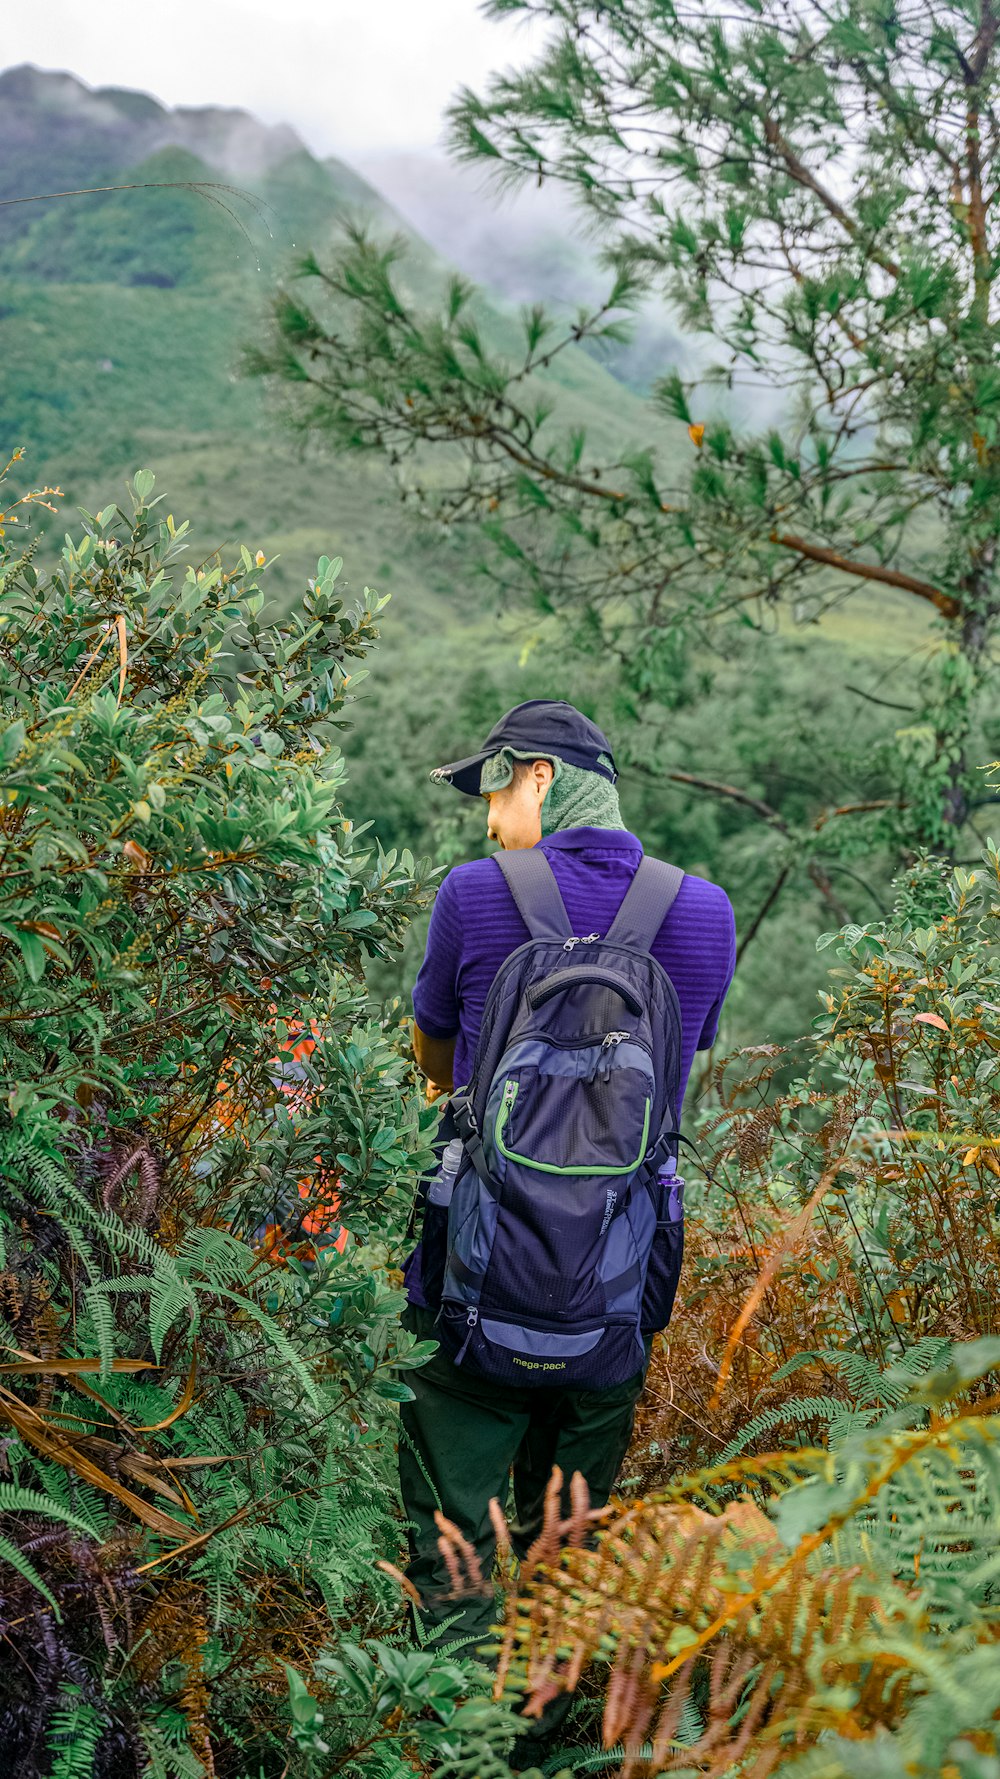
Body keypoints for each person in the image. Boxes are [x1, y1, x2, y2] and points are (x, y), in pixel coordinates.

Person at [400, 699, 736, 1659]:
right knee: (570, 1545)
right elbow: (673, 1074)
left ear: (540, 775)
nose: (488, 816)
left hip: (476, 1278)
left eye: (495, 788)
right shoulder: (703, 911)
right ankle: (541, 1736)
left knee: (454, 1531)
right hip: (616, 1285)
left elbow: (438, 1050)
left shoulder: (473, 892)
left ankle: (452, 1727)